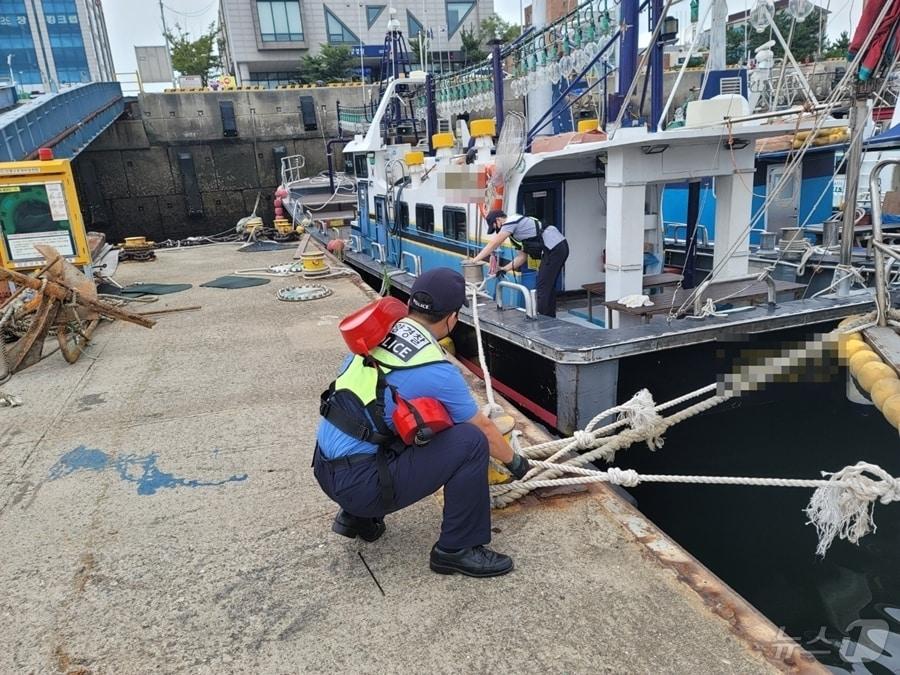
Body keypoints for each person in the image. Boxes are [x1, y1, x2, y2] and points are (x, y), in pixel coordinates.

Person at [313, 267, 531, 577]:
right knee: (469, 441)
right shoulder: (435, 367)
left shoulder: (372, 340)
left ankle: (356, 517)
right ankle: (457, 549)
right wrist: (517, 464)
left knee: (396, 418)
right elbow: (482, 428)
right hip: (361, 486)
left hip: (326, 471)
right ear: (452, 318)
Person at [469, 210, 570, 318]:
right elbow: (521, 257)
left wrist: (474, 260)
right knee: (547, 285)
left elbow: (494, 243)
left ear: (498, 220)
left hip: (555, 247)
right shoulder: (516, 234)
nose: (497, 231)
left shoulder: (511, 221)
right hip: (554, 248)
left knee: (543, 286)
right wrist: (504, 269)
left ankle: (544, 319)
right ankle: (549, 317)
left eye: (495, 227)